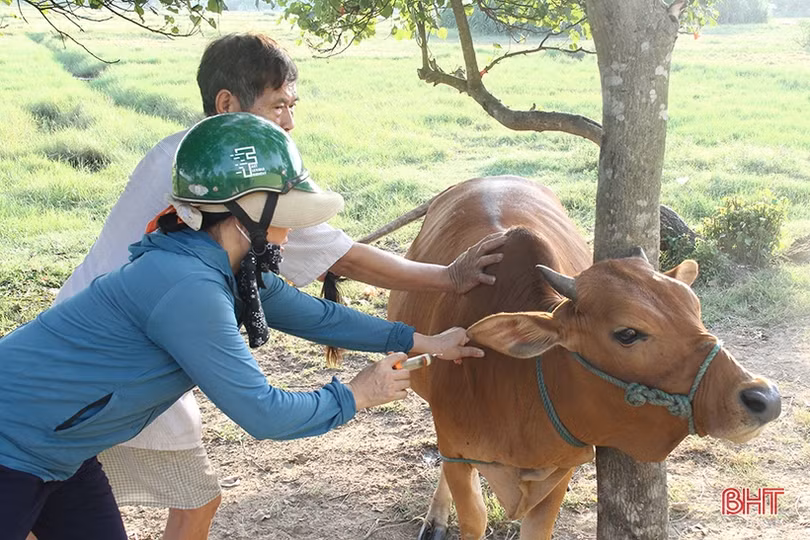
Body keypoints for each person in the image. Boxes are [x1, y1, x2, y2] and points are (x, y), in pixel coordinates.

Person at [48, 33, 506, 540]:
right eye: (278, 105)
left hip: (96, 358)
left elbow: (306, 311)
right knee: (168, 494)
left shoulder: (193, 179)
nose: (289, 120)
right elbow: (268, 405)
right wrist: (442, 284)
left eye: (293, 105)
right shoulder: (232, 195)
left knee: (135, 491)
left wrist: (417, 340)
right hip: (99, 372)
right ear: (227, 105)